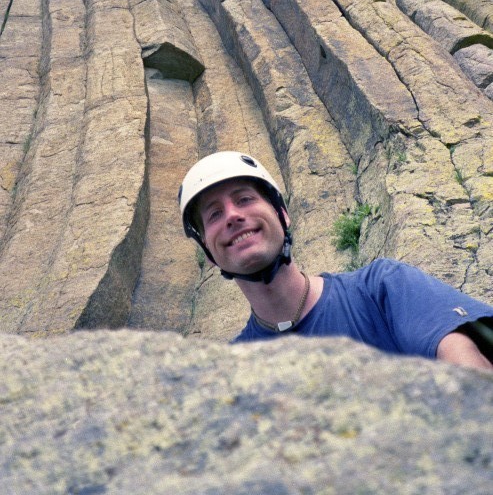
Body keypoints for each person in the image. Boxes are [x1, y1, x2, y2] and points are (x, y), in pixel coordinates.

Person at [178, 151, 493, 370]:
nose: (233, 215)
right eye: (214, 214)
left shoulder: (383, 288)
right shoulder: (232, 368)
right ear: (209, 251)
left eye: (244, 199)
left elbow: (464, 364)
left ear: (282, 214)